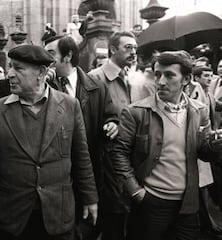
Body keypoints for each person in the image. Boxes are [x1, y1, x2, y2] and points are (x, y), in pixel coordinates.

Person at [0, 44, 98, 239]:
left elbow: (81, 157)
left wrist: (90, 198)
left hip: (57, 213)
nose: (10, 74)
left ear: (41, 72)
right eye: (10, 67)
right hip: (13, 215)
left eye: (18, 68)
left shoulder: (69, 105)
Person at [112, 51, 222, 240]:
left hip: (187, 204)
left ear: (186, 79)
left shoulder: (199, 111)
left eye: (169, 75)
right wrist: (136, 192)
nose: (161, 81)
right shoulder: (136, 112)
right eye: (157, 74)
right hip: (150, 201)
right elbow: (119, 153)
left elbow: (204, 152)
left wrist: (216, 143)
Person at [44, 35, 118, 239]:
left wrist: (112, 124)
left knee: (87, 223)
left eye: (50, 54)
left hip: (89, 167)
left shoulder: (96, 85)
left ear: (68, 56)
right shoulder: (46, 88)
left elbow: (110, 113)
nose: (45, 59)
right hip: (58, 170)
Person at [87, 31, 138, 240]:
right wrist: (111, 124)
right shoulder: (96, 78)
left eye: (135, 47)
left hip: (128, 162)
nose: (133, 52)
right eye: (128, 47)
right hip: (107, 164)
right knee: (111, 222)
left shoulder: (130, 77)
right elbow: (88, 122)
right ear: (113, 49)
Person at [191, 65, 222, 238]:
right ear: (196, 78)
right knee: (202, 184)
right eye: (206, 76)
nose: (210, 79)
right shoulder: (196, 92)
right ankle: (205, 222)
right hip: (201, 143)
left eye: (211, 76)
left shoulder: (207, 92)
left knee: (204, 184)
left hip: (208, 140)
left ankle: (206, 221)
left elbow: (217, 106)